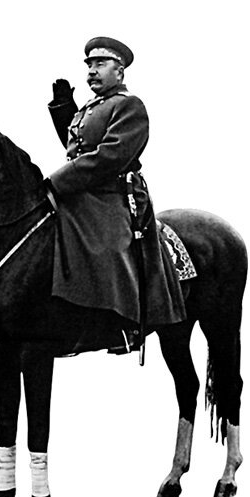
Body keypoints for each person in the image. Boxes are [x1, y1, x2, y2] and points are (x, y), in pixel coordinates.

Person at [45, 37, 186, 354]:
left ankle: (125, 324)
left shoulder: (129, 105)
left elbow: (111, 156)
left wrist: (57, 181)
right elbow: (78, 149)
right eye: (89, 66)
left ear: (119, 71)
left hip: (115, 193)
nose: (91, 71)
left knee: (107, 245)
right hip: (85, 189)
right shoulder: (90, 108)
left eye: (100, 64)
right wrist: (64, 109)